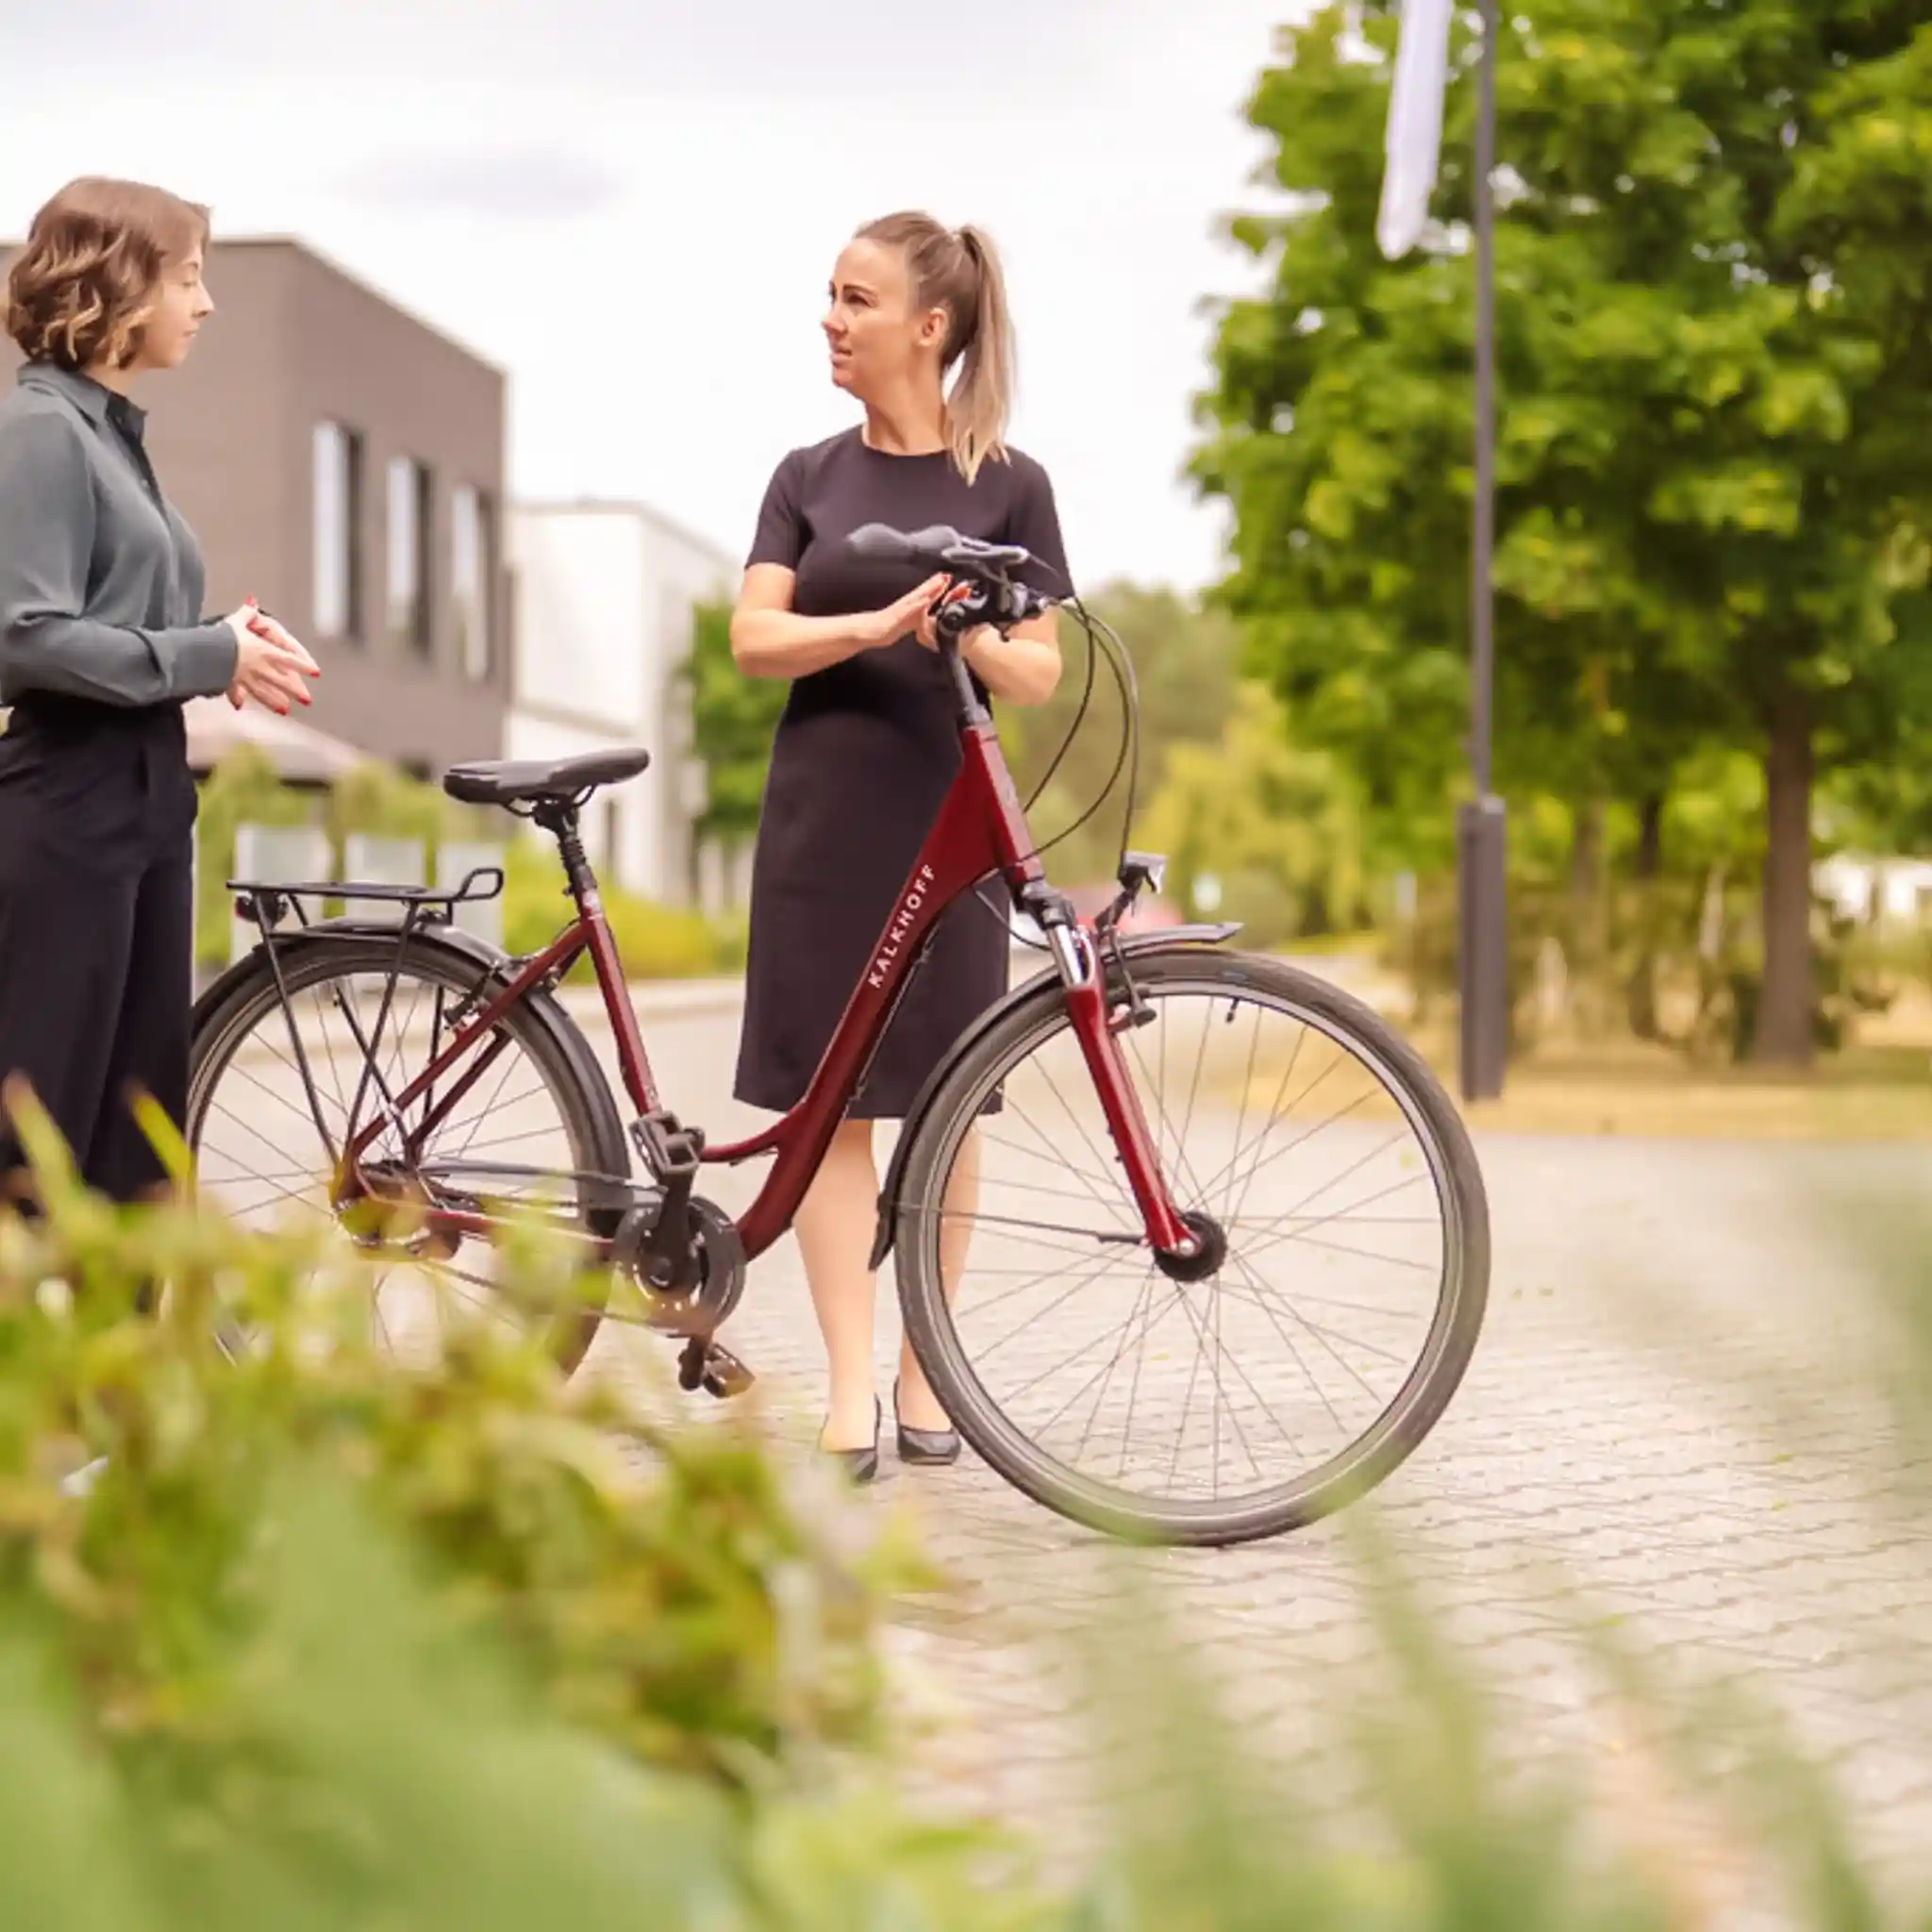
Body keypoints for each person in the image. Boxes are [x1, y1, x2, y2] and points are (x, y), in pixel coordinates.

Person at [730, 209, 1071, 1480]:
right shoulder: (804, 477)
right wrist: (871, 626)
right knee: (832, 1109)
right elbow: (753, 639)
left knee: (947, 1094)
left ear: (929, 327)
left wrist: (962, 633)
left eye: (855, 299)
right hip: (823, 818)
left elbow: (1039, 670)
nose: (830, 318)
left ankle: (930, 1371)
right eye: (830, 294)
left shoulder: (1010, 485)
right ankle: (847, 1386)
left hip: (948, 813)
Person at [0, 175, 320, 1228]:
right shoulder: (41, 430)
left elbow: (115, 626)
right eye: (187, 278)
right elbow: (24, 636)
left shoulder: (112, 439)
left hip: (145, 800)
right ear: (115, 284)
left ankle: (122, 1341)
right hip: (69, 808)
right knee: (40, 1141)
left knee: (138, 1143)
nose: (206, 303)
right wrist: (205, 649)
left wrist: (223, 646)